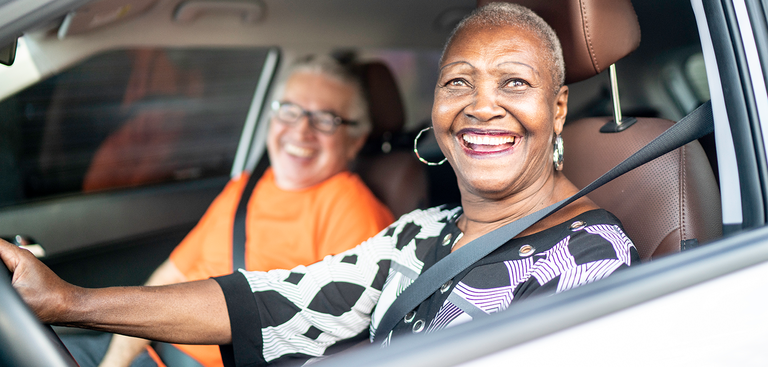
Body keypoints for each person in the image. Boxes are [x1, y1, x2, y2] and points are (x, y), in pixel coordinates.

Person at [0, 3, 640, 366]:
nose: (481, 106)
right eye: (458, 82)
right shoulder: (422, 233)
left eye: (515, 83)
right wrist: (69, 302)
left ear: (558, 108)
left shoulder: (589, 256)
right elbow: (276, 301)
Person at [63, 55, 394, 367]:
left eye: (324, 120)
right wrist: (114, 361)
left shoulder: (354, 210)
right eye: (289, 110)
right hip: (146, 350)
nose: (301, 130)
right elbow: (171, 276)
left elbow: (343, 344)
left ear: (355, 140)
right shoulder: (247, 186)